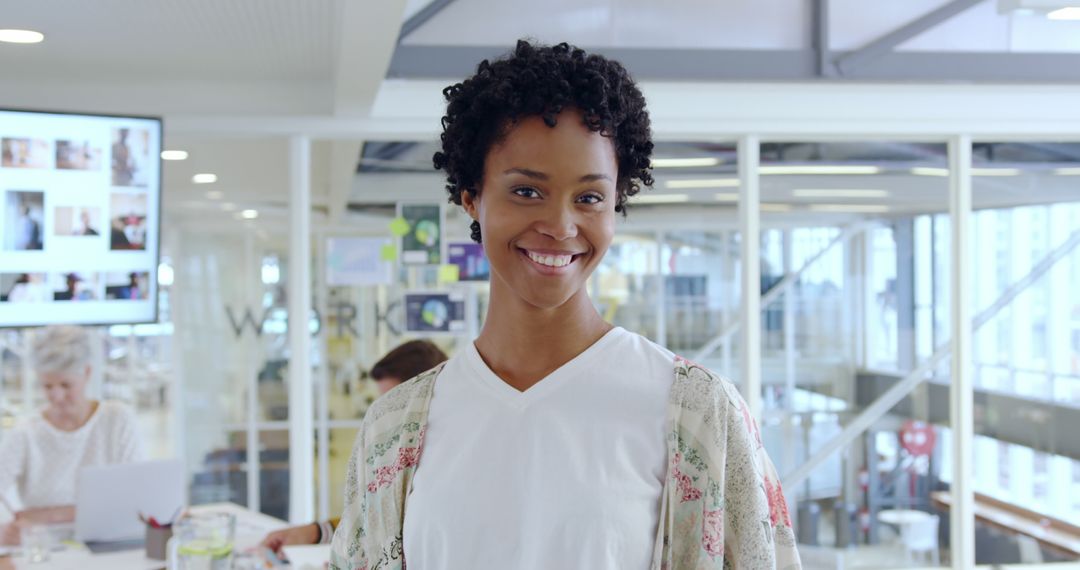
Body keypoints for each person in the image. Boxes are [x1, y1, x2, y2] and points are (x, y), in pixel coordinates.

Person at [329, 41, 801, 570]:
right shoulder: (396, 426)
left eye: (590, 197)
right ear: (471, 198)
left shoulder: (696, 413)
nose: (560, 226)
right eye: (527, 191)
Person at [259, 340, 448, 557]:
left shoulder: (443, 465)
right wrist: (315, 532)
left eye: (394, 407)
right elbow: (374, 521)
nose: (385, 419)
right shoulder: (400, 455)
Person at [0, 326, 144, 544]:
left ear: (87, 373)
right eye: (47, 386)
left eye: (66, 385)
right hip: (44, 553)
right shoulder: (25, 433)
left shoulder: (117, 419)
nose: (56, 396)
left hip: (110, 545)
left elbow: (133, 501)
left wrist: (45, 516)